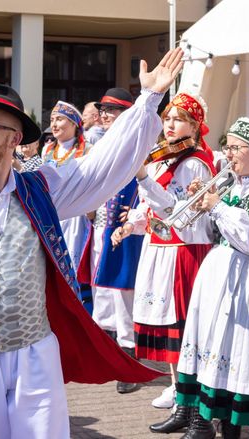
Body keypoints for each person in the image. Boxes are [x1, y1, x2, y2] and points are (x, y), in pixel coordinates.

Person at [0, 47, 184, 439]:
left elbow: (101, 166)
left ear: (14, 137)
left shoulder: (41, 188)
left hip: (35, 352)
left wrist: (148, 100)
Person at [168, 117, 249, 439]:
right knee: (223, 356)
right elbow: (203, 235)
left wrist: (218, 207)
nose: (228, 154)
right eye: (227, 146)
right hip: (220, 281)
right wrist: (198, 209)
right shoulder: (229, 184)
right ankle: (225, 426)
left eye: (235, 147)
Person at [111, 93, 216, 419]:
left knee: (182, 329)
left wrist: (142, 176)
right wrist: (131, 226)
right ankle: (177, 391)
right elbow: (153, 211)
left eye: (179, 118)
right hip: (160, 250)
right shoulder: (163, 160)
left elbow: (177, 210)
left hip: (183, 252)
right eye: (167, 118)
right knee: (166, 328)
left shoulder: (195, 163)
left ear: (194, 126)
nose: (170, 124)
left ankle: (191, 401)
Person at [89, 87, 145, 394]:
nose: (105, 115)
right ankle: (107, 356)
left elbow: (147, 181)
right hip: (102, 223)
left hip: (126, 225)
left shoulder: (138, 144)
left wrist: (136, 213)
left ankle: (129, 364)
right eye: (103, 110)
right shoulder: (103, 143)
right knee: (103, 292)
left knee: (124, 293)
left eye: (111, 111)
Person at [41, 100, 93, 311]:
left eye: (60, 119)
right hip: (52, 214)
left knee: (73, 258)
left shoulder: (87, 150)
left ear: (73, 123)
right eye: (52, 119)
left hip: (76, 217)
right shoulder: (47, 150)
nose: (54, 124)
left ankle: (78, 308)